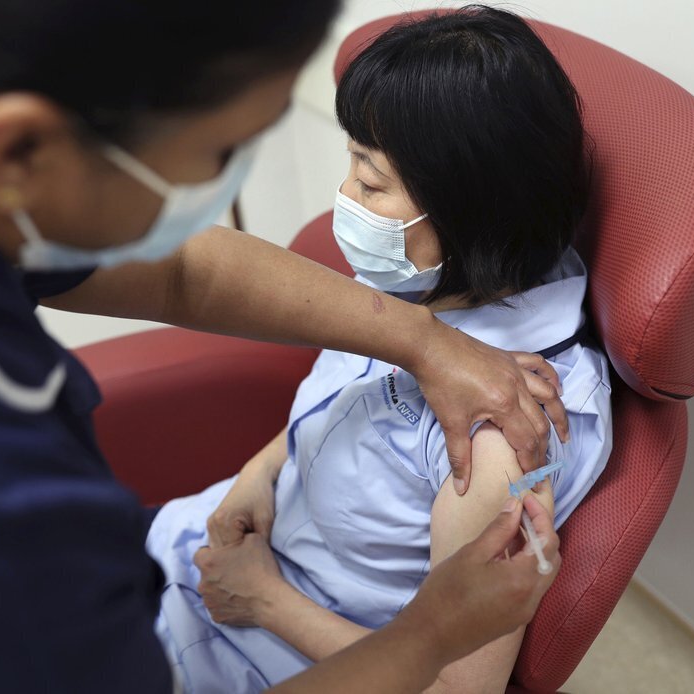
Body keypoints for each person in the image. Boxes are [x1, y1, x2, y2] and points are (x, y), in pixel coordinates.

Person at [0, 1, 562, 691]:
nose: (341, 199)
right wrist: (426, 637)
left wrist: (420, 340)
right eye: (219, 152)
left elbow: (182, 273)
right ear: (18, 153)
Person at [147, 7, 612, 693]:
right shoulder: (426, 288)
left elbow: (458, 686)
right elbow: (348, 399)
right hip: (201, 556)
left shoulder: (503, 438)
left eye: (369, 183)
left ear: (468, 212)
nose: (345, 199)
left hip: (276, 656)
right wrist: (258, 473)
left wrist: (267, 602)